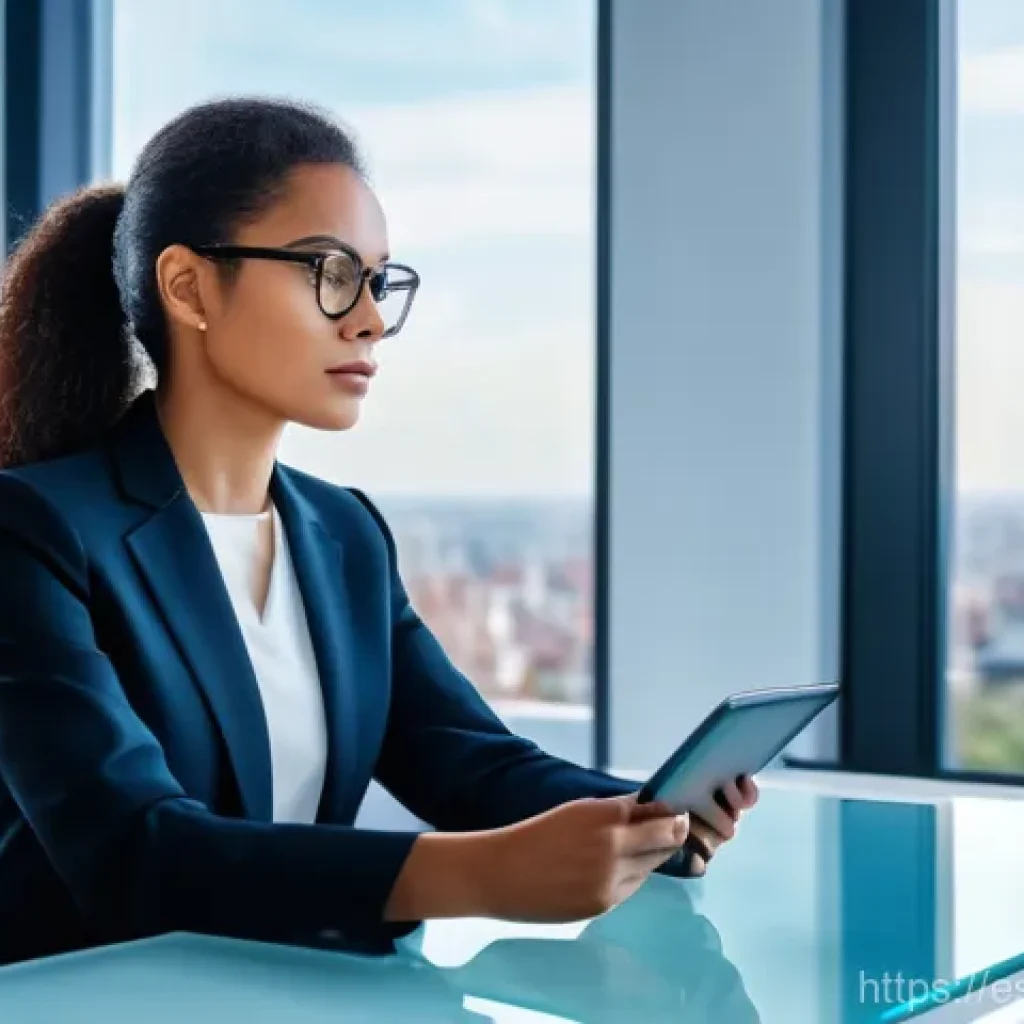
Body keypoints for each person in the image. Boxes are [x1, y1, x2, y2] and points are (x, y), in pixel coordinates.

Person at [0, 97, 758, 967]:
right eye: (328, 271)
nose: (365, 319)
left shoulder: (342, 533)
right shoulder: (34, 529)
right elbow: (136, 851)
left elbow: (470, 764)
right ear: (189, 287)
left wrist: (644, 814)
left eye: (378, 281)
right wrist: (472, 875)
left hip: (290, 989)